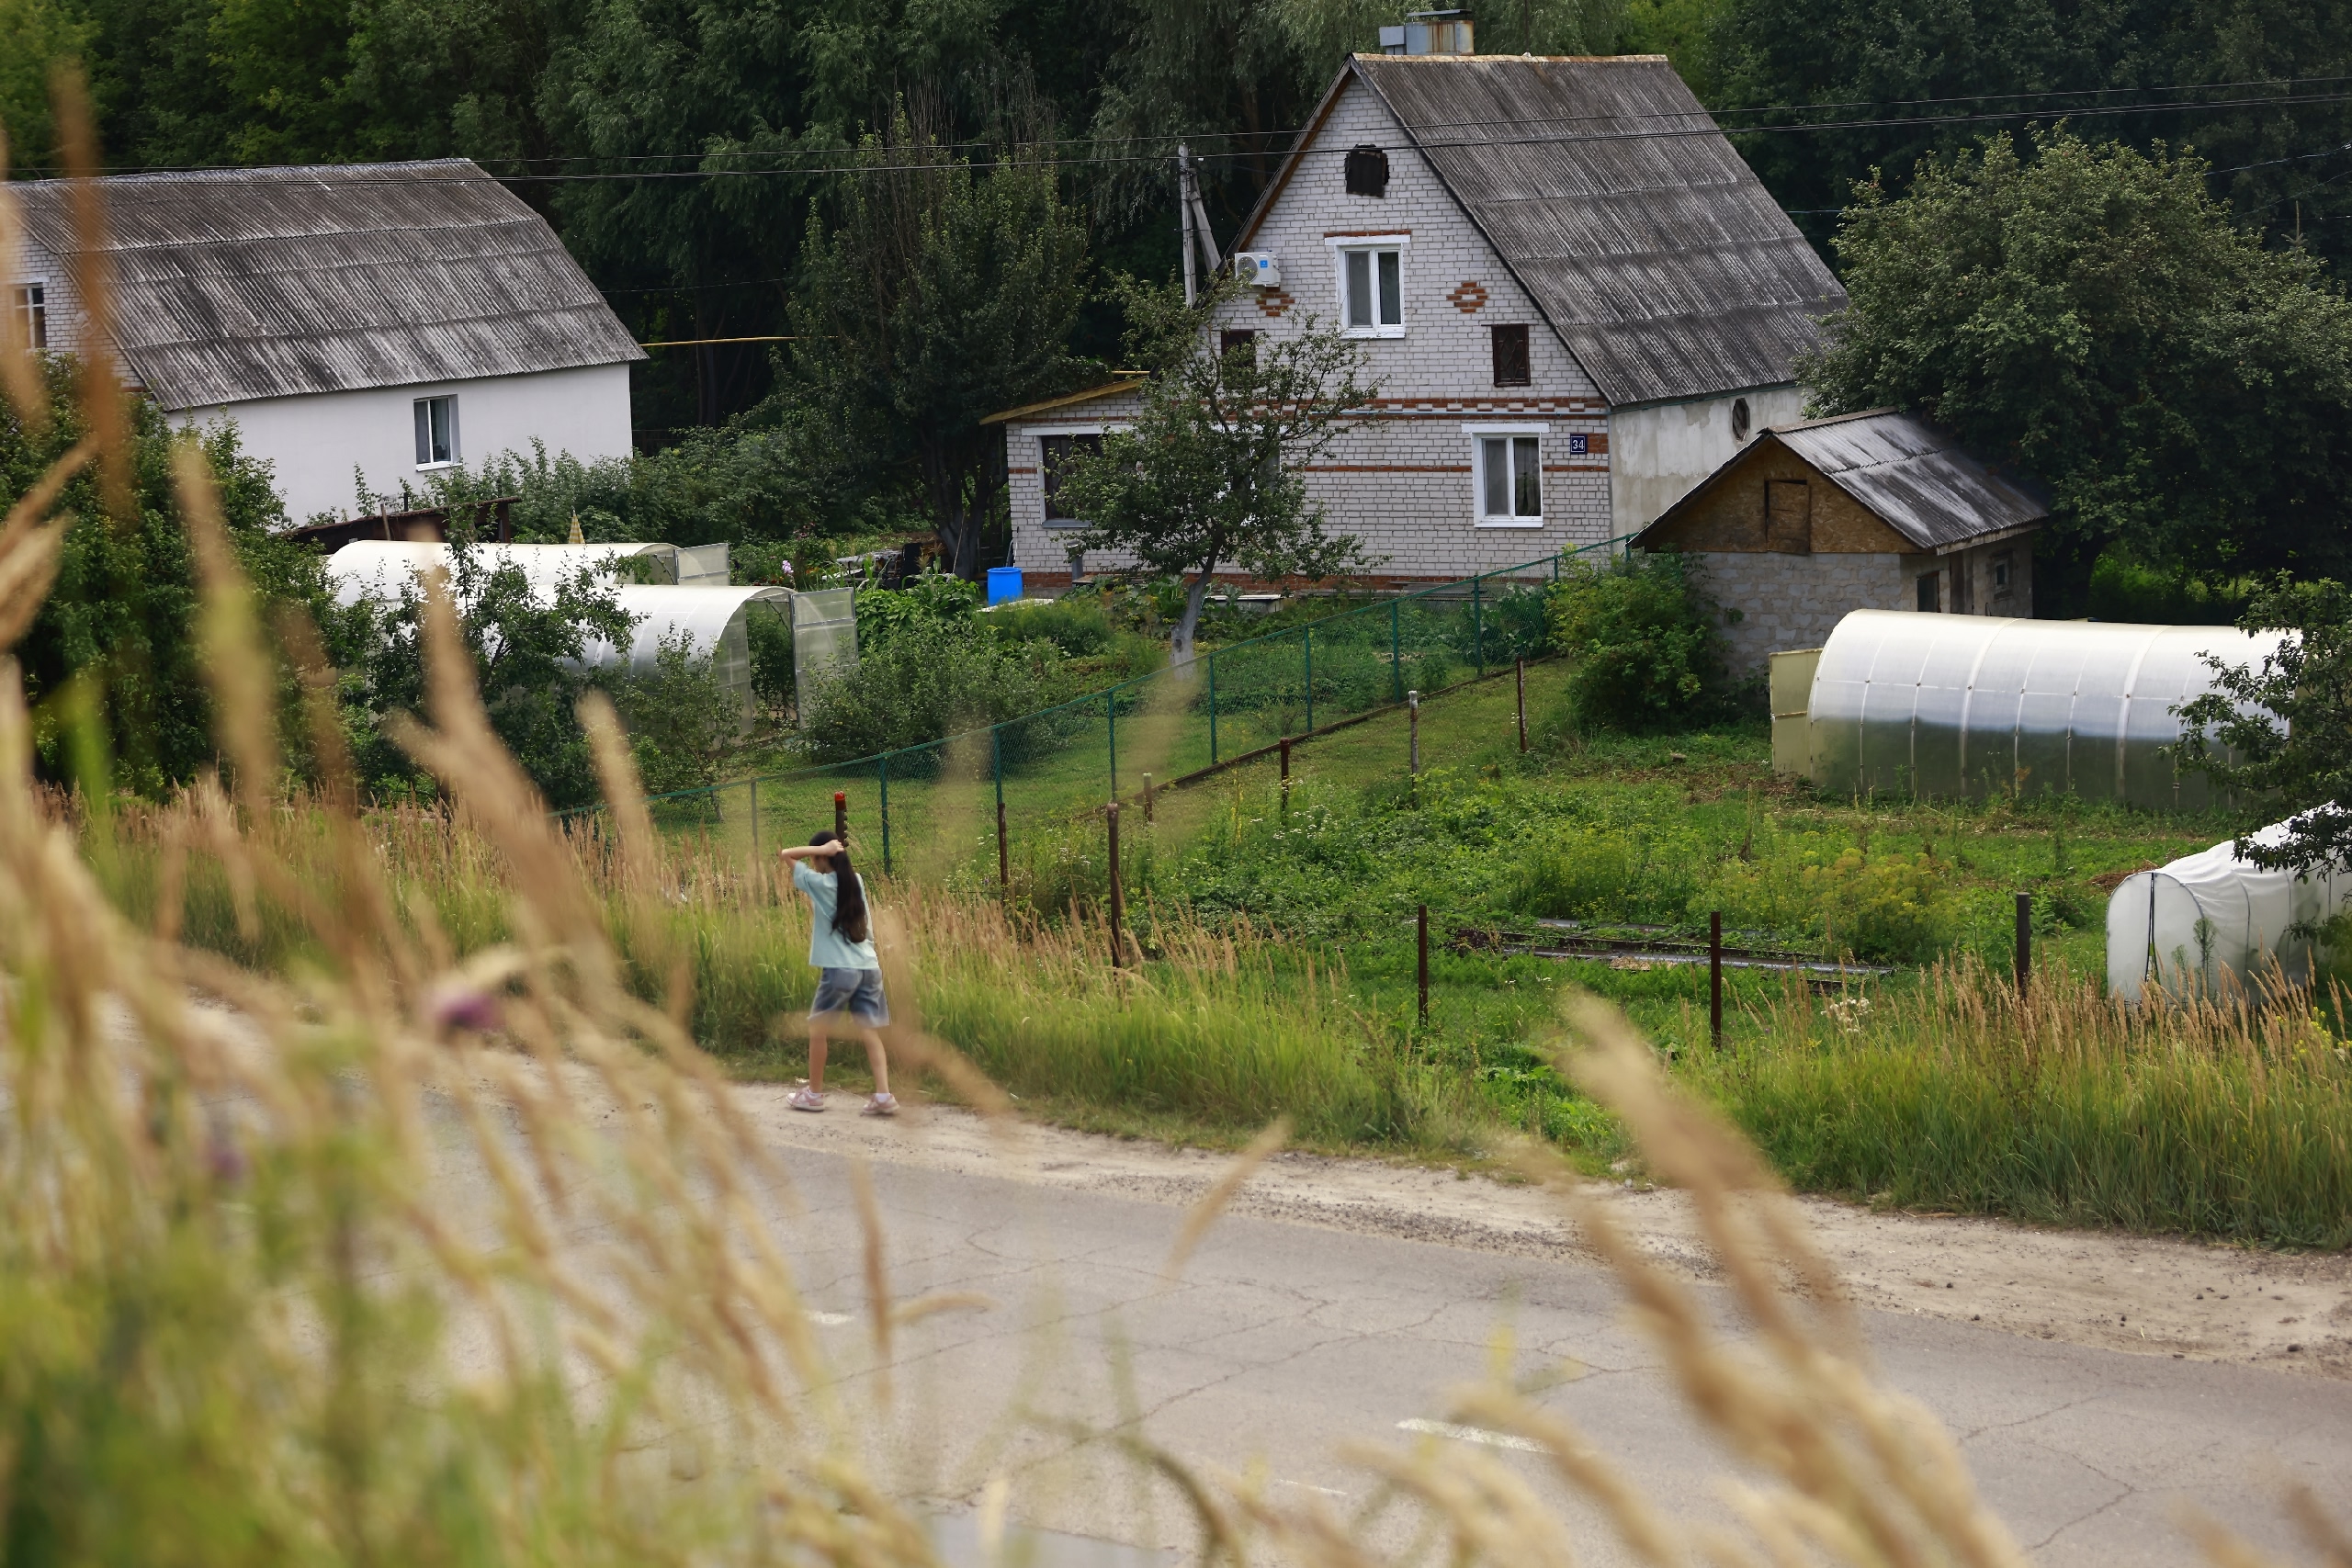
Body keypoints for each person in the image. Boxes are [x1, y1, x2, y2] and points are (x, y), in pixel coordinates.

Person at [776, 829, 897, 1116]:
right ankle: (883, 1094)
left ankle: (814, 1094)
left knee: (818, 1029)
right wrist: (832, 851)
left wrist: (823, 849)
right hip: (869, 967)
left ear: (821, 857)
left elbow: (785, 855)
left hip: (840, 970)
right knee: (869, 1030)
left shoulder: (818, 883)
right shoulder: (856, 881)